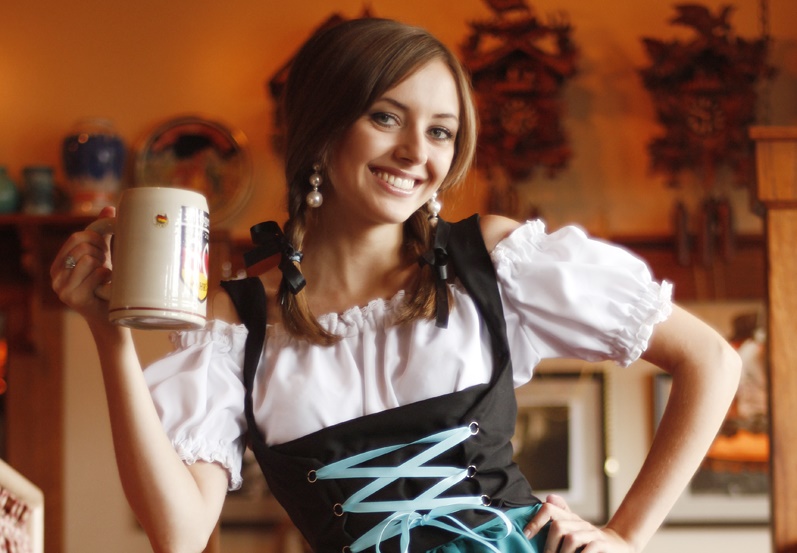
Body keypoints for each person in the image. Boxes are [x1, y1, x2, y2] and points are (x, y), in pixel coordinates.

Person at [51, 17, 741, 553]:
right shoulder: (236, 324)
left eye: (440, 131)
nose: (417, 152)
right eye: (386, 117)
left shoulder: (493, 261)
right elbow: (177, 531)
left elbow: (710, 359)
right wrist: (110, 340)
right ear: (321, 131)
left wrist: (625, 534)